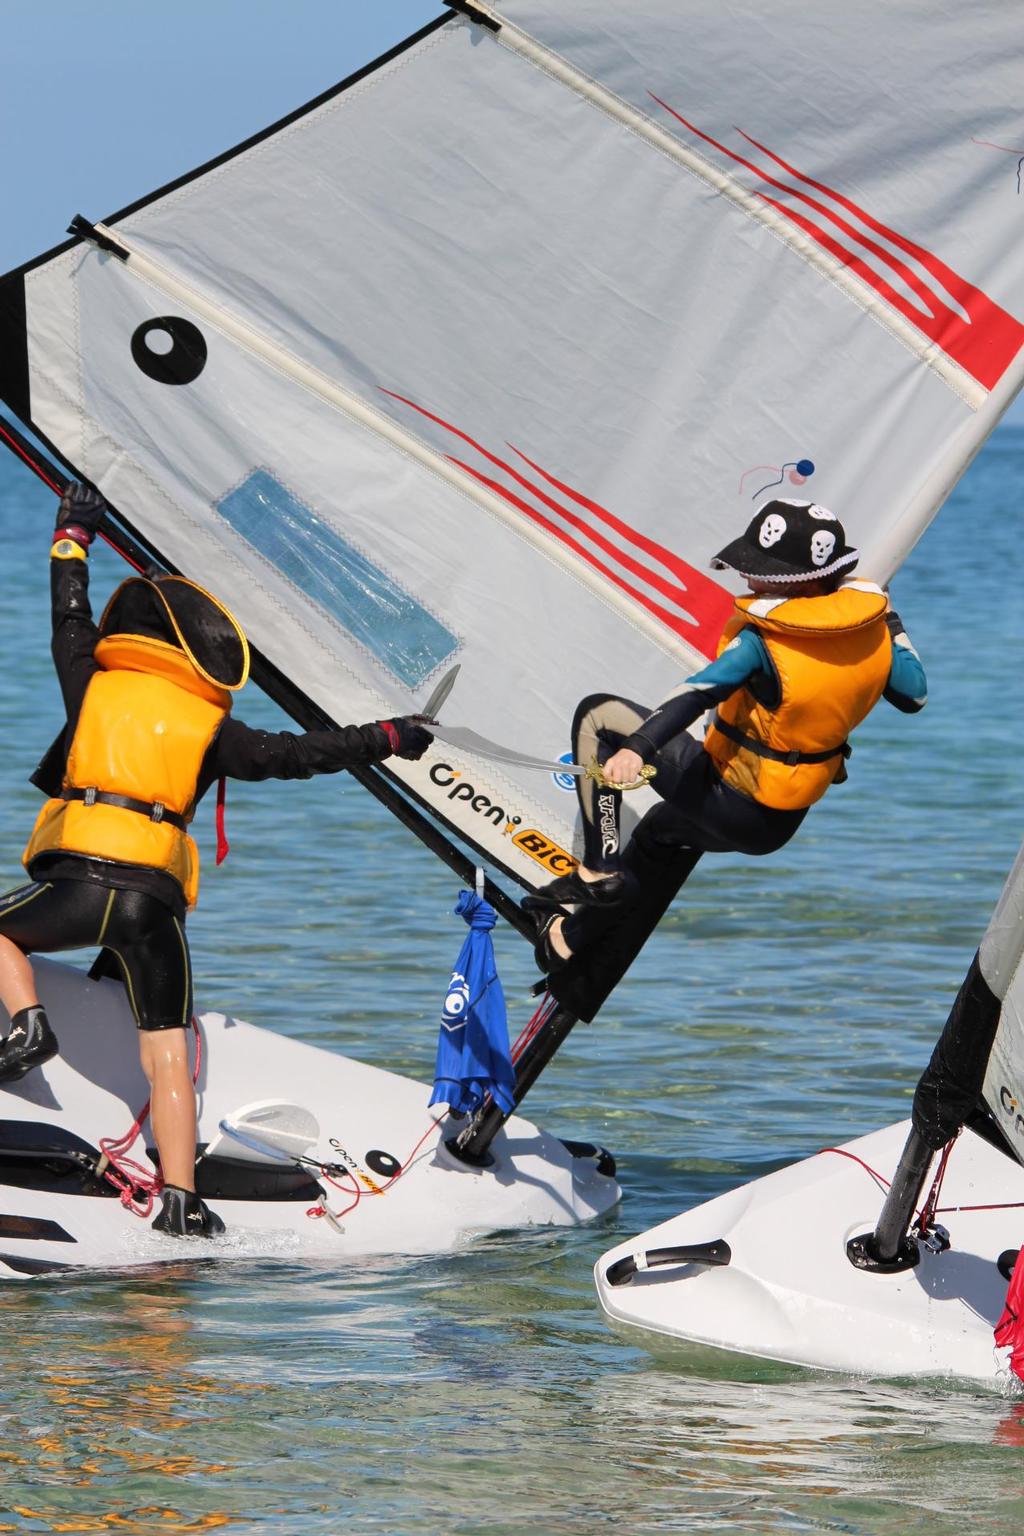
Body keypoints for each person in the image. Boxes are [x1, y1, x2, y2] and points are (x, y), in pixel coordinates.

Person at [0, 483, 434, 1238]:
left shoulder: (91, 684)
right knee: (167, 1052)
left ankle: (27, 1026)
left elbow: (66, 611)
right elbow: (302, 754)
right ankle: (180, 1200)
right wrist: (390, 736)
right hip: (151, 908)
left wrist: (73, 532)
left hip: (75, 885)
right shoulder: (211, 729)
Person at [529, 499, 927, 971]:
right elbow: (914, 695)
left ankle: (600, 869)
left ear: (796, 581)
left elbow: (695, 695)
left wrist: (638, 747)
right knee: (658, 830)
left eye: (758, 570)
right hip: (777, 824)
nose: (746, 578)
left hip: (732, 797)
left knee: (599, 716)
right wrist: (890, 619)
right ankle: (571, 942)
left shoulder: (764, 642)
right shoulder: (872, 627)